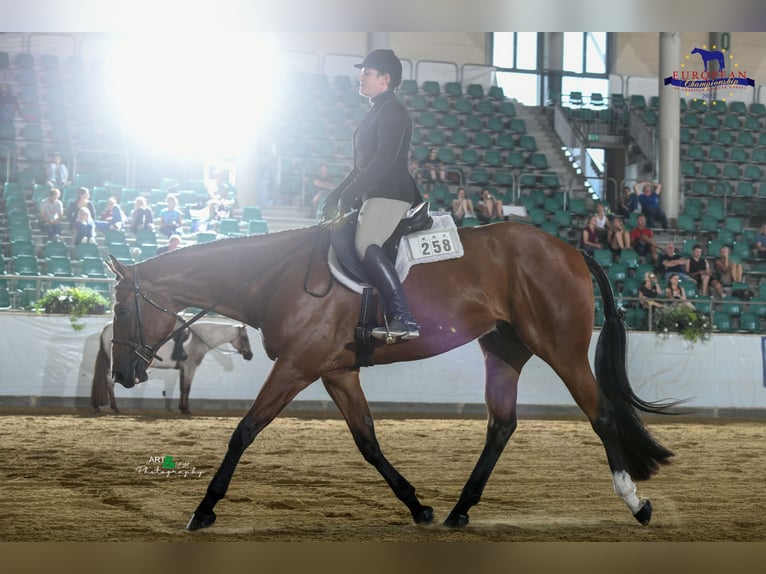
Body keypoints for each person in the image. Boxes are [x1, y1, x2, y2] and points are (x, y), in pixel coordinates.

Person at [321, 49, 423, 341]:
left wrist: (351, 193)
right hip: (375, 192)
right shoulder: (376, 112)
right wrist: (337, 194)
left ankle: (403, 318)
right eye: (362, 72)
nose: (360, 77)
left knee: (366, 243)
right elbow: (360, 167)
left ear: (385, 79)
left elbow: (384, 159)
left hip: (391, 194)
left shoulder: (393, 111)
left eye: (367, 73)